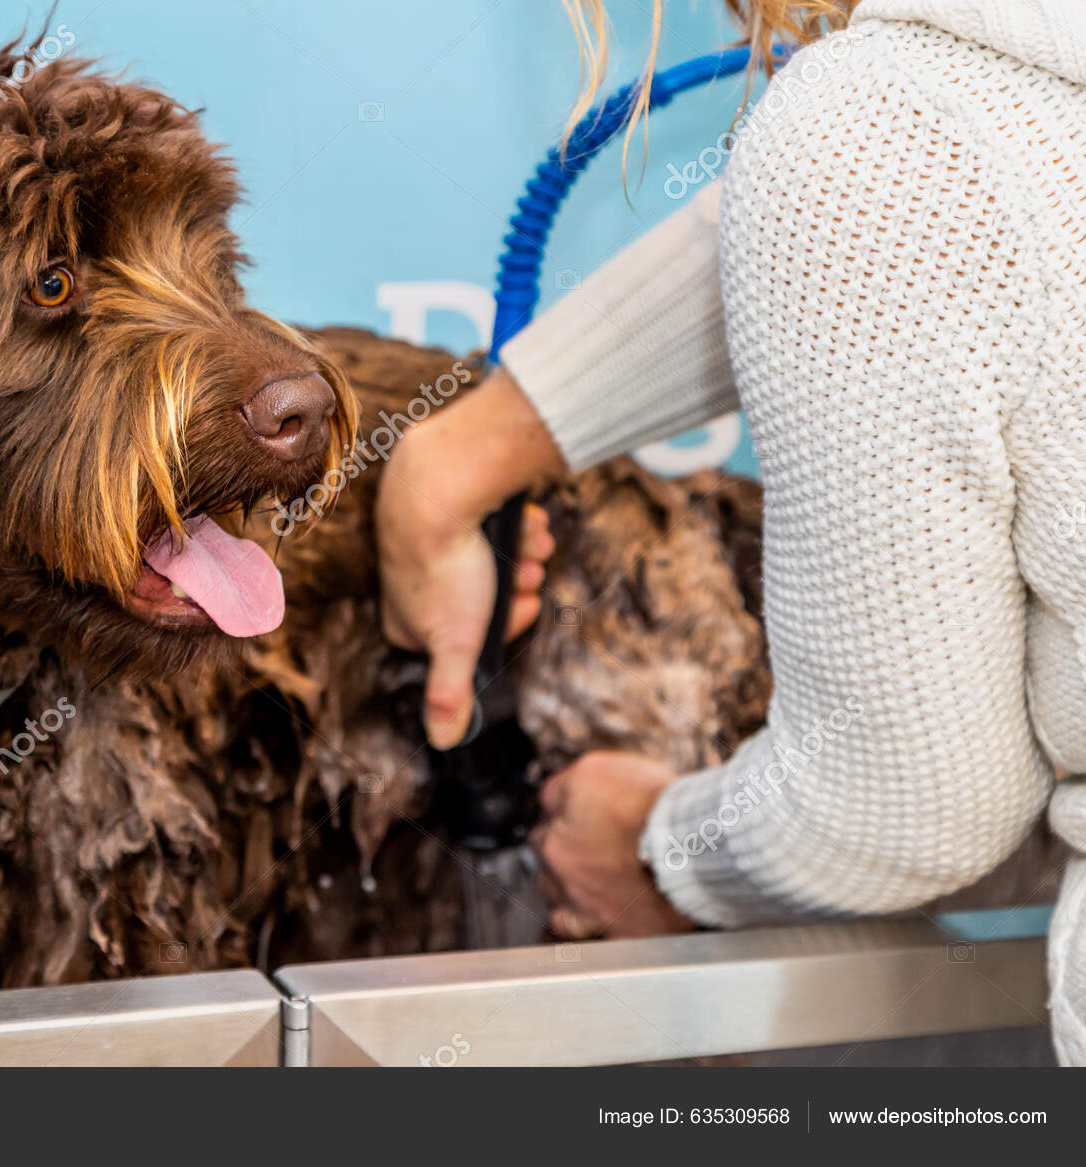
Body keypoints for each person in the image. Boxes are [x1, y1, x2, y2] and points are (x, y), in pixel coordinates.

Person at [375, 0, 1086, 1063]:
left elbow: (906, 817)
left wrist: (659, 850)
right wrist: (461, 455)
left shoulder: (877, 131)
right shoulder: (941, 117)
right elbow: (953, 208)